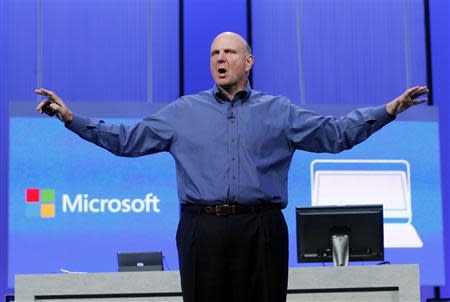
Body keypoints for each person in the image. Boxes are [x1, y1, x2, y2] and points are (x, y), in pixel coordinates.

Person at [35, 32, 428, 302]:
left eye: (229, 53)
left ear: (248, 61)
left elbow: (336, 134)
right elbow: (126, 141)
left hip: (261, 231)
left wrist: (389, 110)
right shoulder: (182, 112)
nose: (220, 59)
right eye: (213, 54)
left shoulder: (280, 111)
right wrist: (71, 118)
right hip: (201, 231)